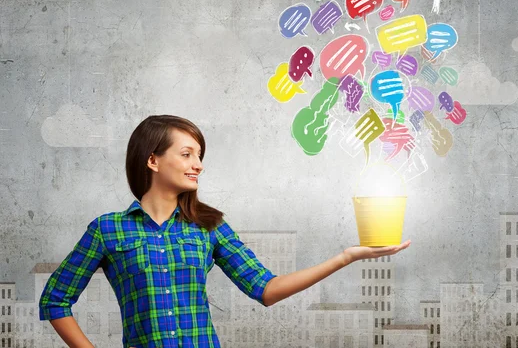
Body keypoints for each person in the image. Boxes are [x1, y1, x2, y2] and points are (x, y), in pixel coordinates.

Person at [39, 114, 411, 348]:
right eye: (186, 154)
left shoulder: (210, 227)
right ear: (152, 160)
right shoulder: (108, 230)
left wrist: (347, 256)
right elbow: (54, 300)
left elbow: (265, 290)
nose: (197, 165)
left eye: (199, 156)